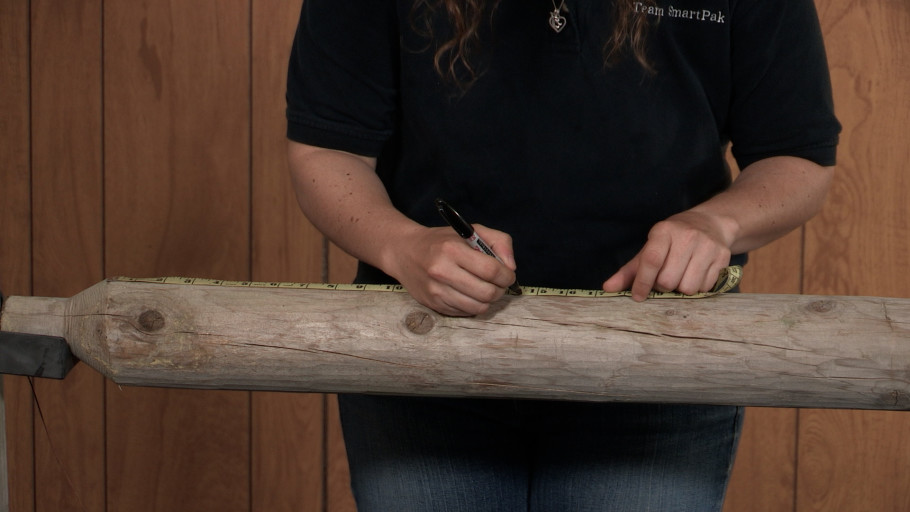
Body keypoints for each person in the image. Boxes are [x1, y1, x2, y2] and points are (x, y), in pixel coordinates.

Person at [285, 0, 840, 510]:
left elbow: (798, 157)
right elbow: (326, 150)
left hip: (659, 359)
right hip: (427, 353)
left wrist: (718, 222)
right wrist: (402, 245)